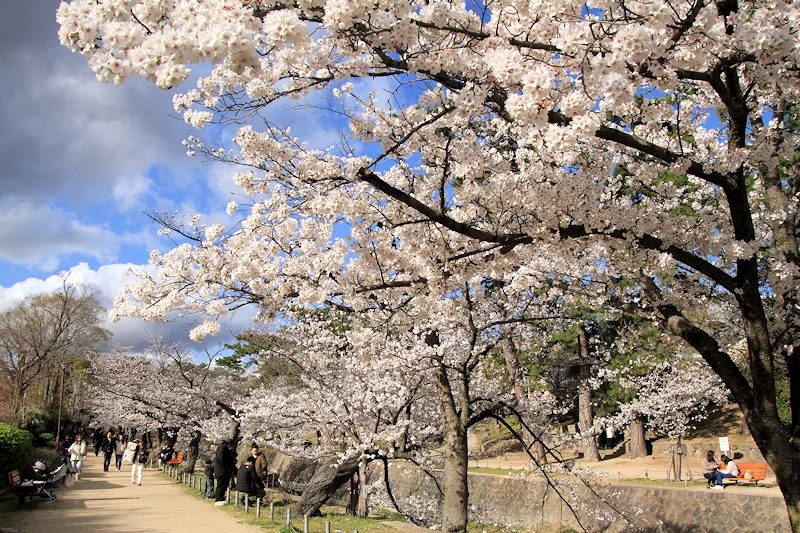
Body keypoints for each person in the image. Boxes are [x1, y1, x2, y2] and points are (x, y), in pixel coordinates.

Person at [213, 440, 236, 506]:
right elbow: (221, 459)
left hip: (221, 471)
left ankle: (221, 498)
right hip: (221, 471)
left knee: (222, 485)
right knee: (221, 485)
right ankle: (218, 499)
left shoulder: (222, 448)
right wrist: (225, 466)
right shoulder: (221, 448)